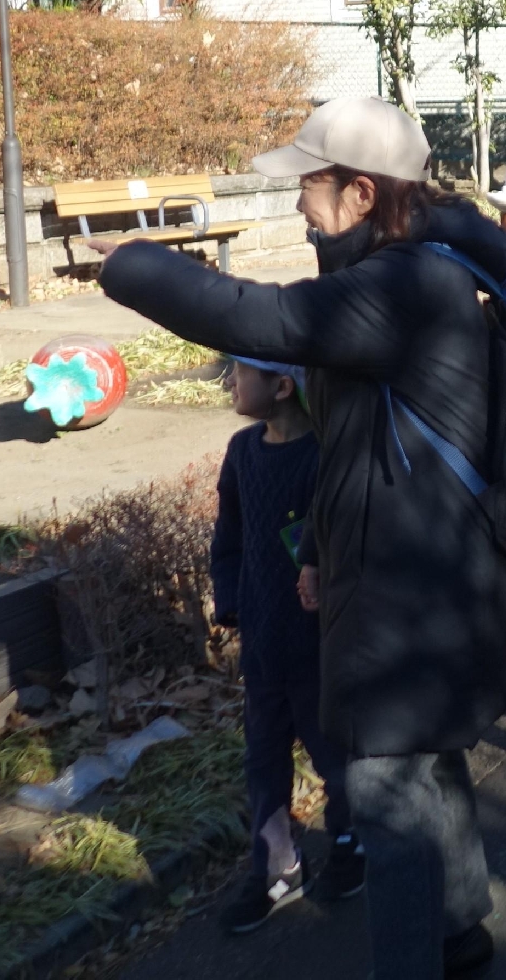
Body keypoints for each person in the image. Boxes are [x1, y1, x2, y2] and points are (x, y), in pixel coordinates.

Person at [93, 96, 506, 980]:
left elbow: (264, 320)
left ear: (362, 194)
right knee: (427, 763)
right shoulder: (430, 268)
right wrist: (320, 550)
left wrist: (132, 265)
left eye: (309, 186)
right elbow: (361, 445)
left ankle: (415, 960)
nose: (297, 204)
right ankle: (460, 929)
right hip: (432, 572)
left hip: (407, 592)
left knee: (387, 789)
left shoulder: (402, 286)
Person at [211, 356, 362, 934]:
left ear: (281, 386)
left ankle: (351, 841)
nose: (230, 382)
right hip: (264, 642)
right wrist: (230, 599)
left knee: (336, 757)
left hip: (319, 646)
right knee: (263, 760)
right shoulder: (242, 453)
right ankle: (275, 867)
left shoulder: (323, 457)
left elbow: (341, 544)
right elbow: (228, 537)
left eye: (240, 373)